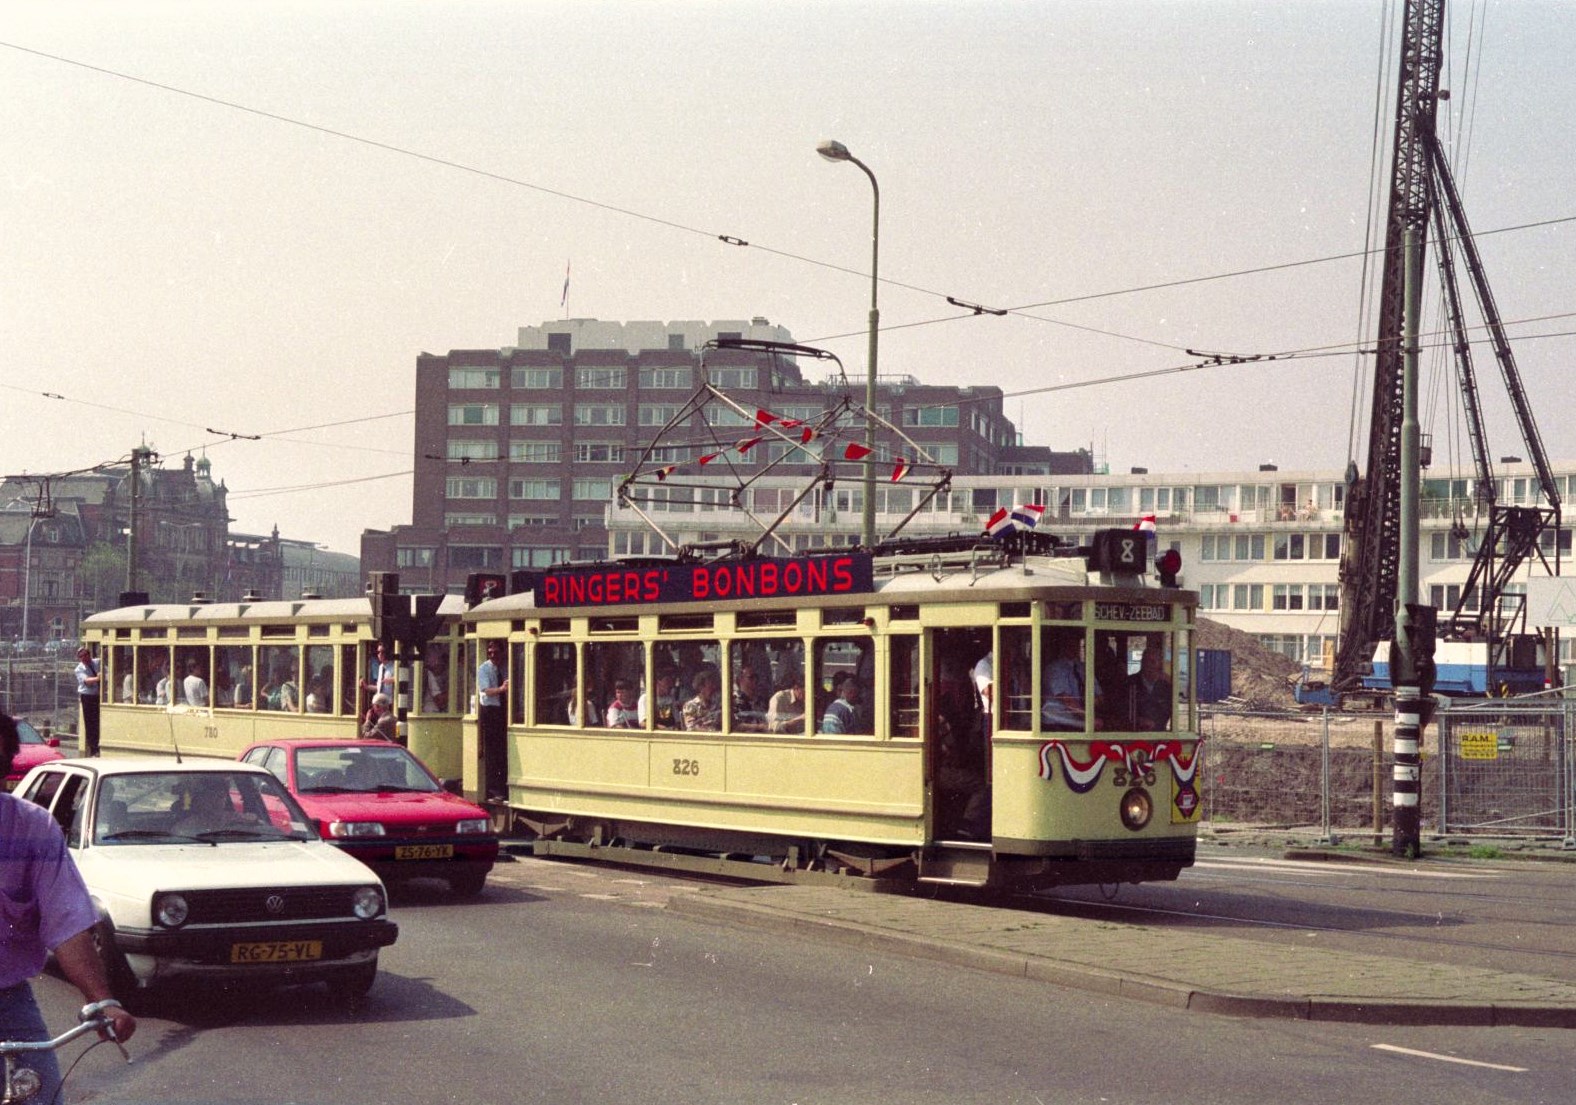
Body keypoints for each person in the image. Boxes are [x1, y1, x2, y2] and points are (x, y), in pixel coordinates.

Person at [0, 713, 137, 1102]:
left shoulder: (32, 829)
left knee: (39, 1093)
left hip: (7, 1001)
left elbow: (67, 922)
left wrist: (102, 1000)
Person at [478, 641, 508, 801]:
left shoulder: (504, 667)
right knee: (492, 751)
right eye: (490, 653)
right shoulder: (483, 669)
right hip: (490, 712)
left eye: (496, 652)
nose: (493, 655)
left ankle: (502, 786)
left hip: (503, 710)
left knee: (502, 750)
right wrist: (502, 690)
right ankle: (493, 789)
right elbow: (485, 691)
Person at [172, 776, 252, 836]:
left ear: (226, 798)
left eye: (221, 796)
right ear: (201, 799)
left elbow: (257, 823)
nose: (216, 801)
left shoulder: (235, 818)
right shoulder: (185, 827)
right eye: (211, 797)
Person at [1127, 646, 1173, 732]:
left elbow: (1169, 710)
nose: (1150, 665)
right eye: (1146, 661)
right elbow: (1121, 710)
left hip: (1158, 738)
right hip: (1132, 736)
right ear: (1142, 662)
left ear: (1160, 664)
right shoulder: (1130, 683)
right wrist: (1138, 720)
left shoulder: (1166, 686)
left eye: (1153, 662)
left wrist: (1156, 723)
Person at [73, 647, 101, 756]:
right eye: (81, 656)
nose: (83, 658)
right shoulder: (79, 669)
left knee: (98, 720)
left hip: (98, 696)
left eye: (85, 655)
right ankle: (93, 748)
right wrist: (98, 678)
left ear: (89, 655)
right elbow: (87, 681)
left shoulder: (96, 662)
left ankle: (98, 745)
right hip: (87, 697)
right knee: (90, 723)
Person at [731, 666, 767, 731]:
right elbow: (734, 725)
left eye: (756, 677)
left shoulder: (762, 700)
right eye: (751, 677)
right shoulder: (733, 702)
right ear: (739, 680)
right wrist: (759, 727)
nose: (755, 681)